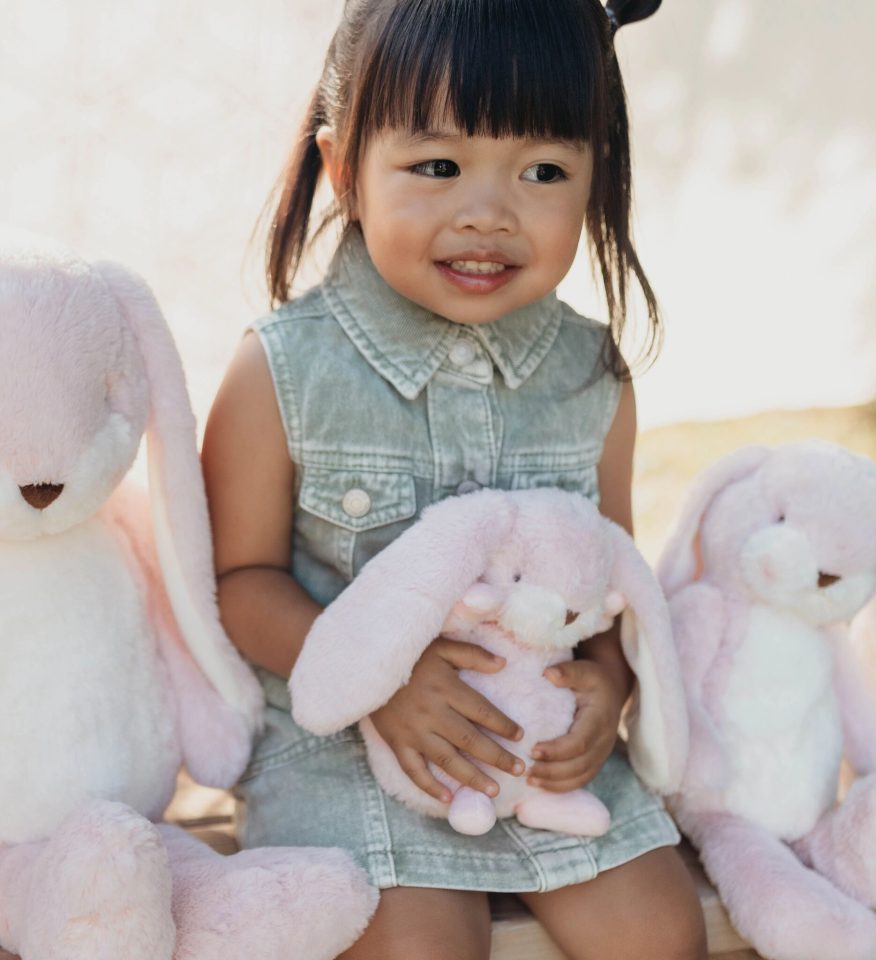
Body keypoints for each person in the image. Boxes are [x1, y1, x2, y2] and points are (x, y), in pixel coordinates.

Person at [201, 0, 707, 957]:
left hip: (540, 744)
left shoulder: (592, 375)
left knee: (660, 931)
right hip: (344, 750)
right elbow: (236, 582)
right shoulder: (283, 369)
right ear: (344, 167)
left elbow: (608, 578)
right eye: (438, 165)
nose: (489, 214)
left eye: (544, 171)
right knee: (419, 947)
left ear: (597, 176)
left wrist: (606, 688)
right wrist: (378, 676)